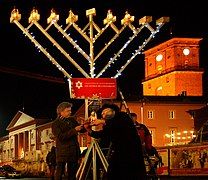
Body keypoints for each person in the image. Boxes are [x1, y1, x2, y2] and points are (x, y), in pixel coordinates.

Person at [84, 103, 147, 180]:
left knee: (132, 173)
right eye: (102, 114)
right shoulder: (109, 123)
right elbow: (103, 135)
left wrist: (102, 121)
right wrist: (88, 129)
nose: (103, 114)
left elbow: (119, 125)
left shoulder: (123, 116)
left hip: (131, 151)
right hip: (119, 151)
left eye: (105, 112)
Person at [52, 102, 85, 180]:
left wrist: (85, 125)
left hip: (74, 150)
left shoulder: (72, 120)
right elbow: (61, 137)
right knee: (60, 172)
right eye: (68, 111)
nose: (70, 112)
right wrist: (74, 130)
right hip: (63, 151)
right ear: (61, 112)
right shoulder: (56, 123)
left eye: (70, 110)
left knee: (72, 173)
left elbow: (80, 130)